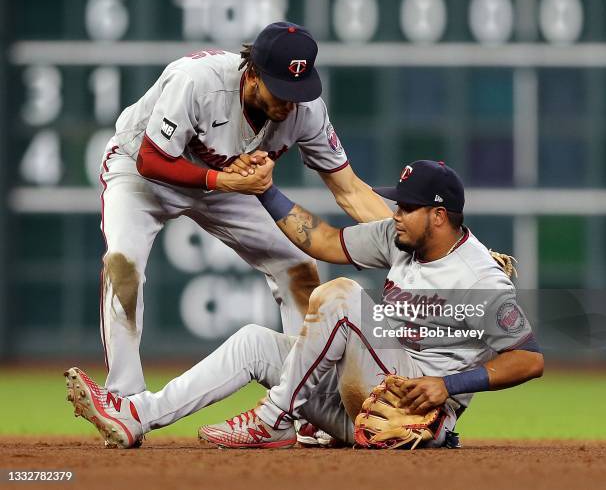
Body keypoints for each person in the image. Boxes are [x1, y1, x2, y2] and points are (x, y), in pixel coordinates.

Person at [65, 159, 544, 449]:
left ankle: (275, 417)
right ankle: (136, 416)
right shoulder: (402, 240)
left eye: (406, 208)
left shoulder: (479, 278)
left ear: (439, 216)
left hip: (411, 414)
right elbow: (324, 241)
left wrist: (449, 385)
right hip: (361, 397)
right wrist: (266, 192)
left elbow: (530, 359)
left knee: (342, 297)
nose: (394, 214)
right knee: (254, 343)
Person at [98, 20, 391, 405]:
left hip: (228, 183)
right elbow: (153, 160)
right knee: (123, 264)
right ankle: (124, 399)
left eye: (298, 91)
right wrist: (222, 181)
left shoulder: (306, 111)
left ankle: (307, 404)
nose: (290, 102)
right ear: (251, 74)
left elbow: (350, 190)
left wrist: (408, 240)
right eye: (282, 90)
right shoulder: (197, 81)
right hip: (142, 171)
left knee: (297, 264)